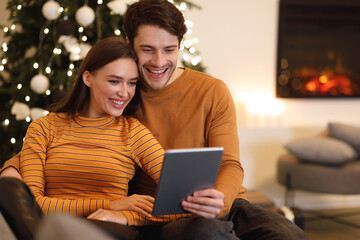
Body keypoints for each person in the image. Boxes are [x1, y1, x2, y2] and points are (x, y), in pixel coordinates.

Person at [1, 0, 308, 239]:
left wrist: (221, 202)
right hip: (164, 210)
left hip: (221, 202)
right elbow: (64, 142)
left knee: (286, 234)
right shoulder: (117, 102)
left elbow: (229, 164)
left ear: (179, 46)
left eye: (169, 50)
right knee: (200, 232)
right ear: (129, 45)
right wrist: (13, 170)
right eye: (147, 50)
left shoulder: (210, 91)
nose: (159, 62)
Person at [0, 37, 238, 240]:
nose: (124, 93)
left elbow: (182, 203)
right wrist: (107, 204)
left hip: (108, 231)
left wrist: (125, 215)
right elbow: (32, 204)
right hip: (50, 227)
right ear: (88, 78)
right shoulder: (45, 127)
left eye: (132, 83)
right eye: (114, 81)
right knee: (8, 190)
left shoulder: (133, 132)